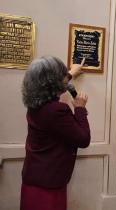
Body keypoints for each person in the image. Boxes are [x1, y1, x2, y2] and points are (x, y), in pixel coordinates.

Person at [20, 56, 90, 210]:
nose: (66, 77)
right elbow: (83, 139)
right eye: (63, 75)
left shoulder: (35, 104)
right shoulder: (57, 110)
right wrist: (80, 108)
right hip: (48, 185)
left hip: (34, 178)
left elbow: (52, 84)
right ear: (53, 82)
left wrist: (71, 73)